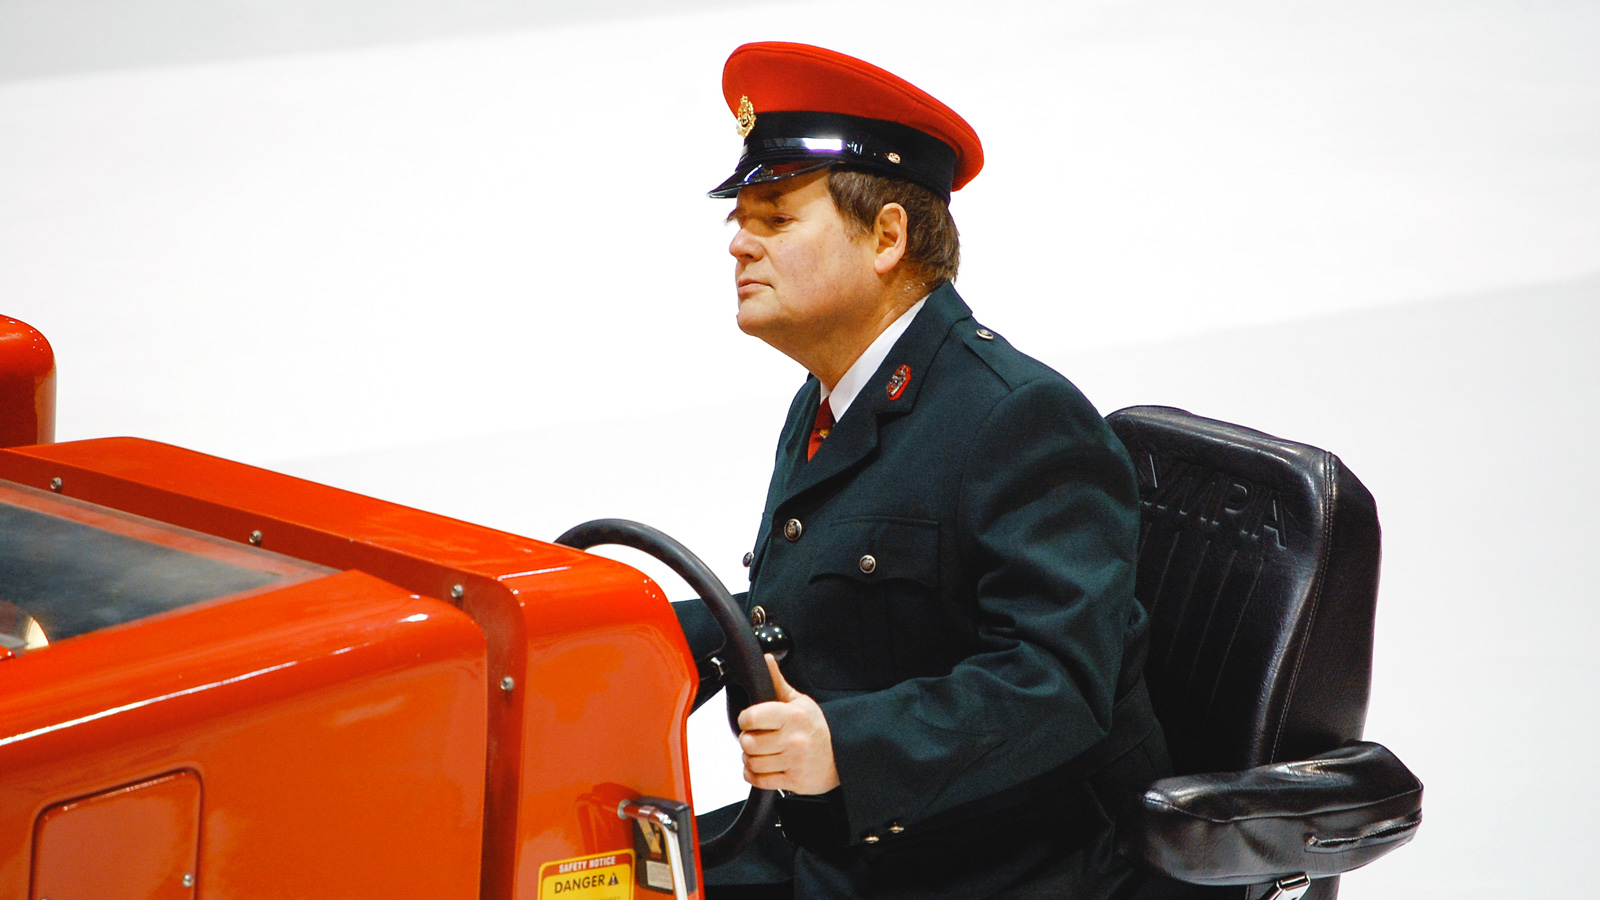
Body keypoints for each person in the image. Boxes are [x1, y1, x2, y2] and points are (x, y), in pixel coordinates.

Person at [674, 41, 1169, 900]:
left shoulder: (1017, 417)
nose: (739, 246)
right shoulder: (832, 394)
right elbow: (809, 610)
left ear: (888, 237)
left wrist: (845, 746)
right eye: (739, 220)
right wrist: (615, 636)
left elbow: (1056, 687)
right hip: (834, 840)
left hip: (986, 865)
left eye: (776, 218)